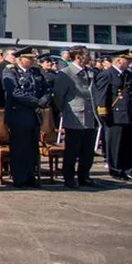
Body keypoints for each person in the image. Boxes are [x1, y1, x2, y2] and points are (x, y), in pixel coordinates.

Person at [2, 46, 50, 188]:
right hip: (18, 115)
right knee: (19, 149)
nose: (32, 61)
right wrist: (36, 101)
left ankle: (31, 176)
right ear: (20, 59)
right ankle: (20, 178)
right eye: (28, 58)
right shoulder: (10, 71)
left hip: (34, 115)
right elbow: (15, 92)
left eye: (32, 58)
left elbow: (46, 88)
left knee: (32, 148)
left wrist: (45, 99)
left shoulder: (36, 71)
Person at [52, 46, 98, 188]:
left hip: (90, 117)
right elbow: (59, 96)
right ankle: (69, 178)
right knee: (72, 150)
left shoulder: (90, 72)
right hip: (75, 117)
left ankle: (84, 176)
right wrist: (66, 110)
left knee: (88, 151)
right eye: (86, 55)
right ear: (78, 57)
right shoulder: (66, 73)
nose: (89, 57)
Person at [97, 52, 132, 179]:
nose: (129, 62)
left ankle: (128, 169)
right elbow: (101, 96)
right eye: (126, 60)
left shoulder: (128, 75)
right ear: (118, 61)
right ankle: (116, 169)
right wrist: (103, 113)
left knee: (128, 143)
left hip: (128, 114)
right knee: (115, 144)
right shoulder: (107, 75)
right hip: (114, 115)